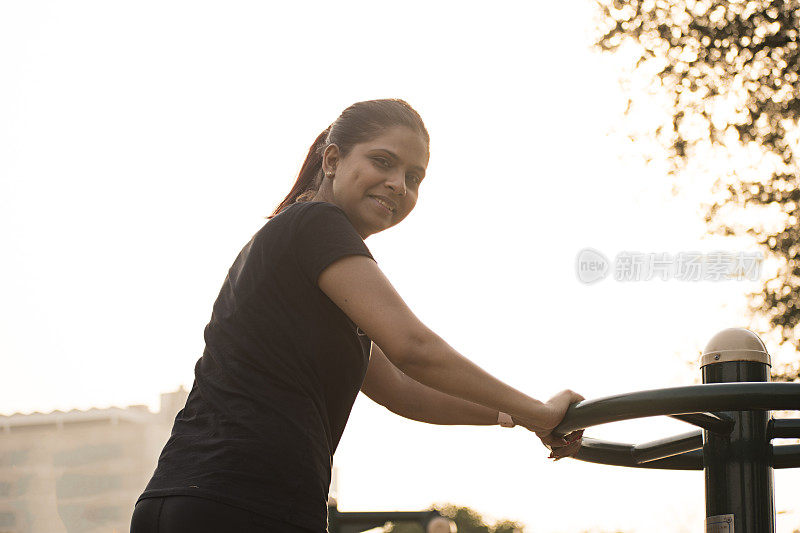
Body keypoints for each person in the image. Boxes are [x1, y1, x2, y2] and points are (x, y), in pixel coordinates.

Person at [130, 98, 584, 533]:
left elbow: (405, 392)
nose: (399, 185)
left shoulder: (299, 261)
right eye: (383, 162)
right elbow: (414, 348)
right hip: (244, 503)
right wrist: (541, 413)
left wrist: (520, 417)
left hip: (189, 500)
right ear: (331, 161)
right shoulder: (315, 224)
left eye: (414, 176)